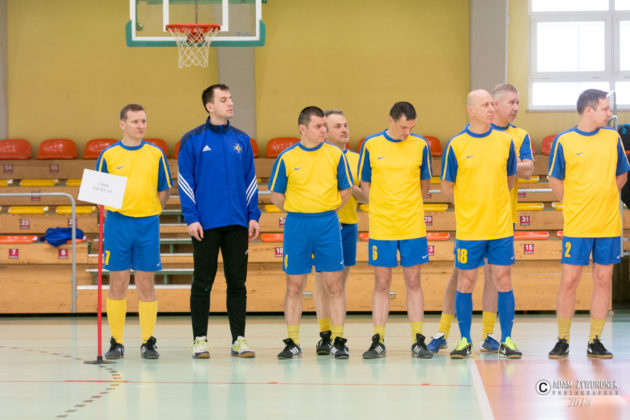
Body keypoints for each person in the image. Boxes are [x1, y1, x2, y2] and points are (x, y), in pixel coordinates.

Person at [427, 83, 534, 354]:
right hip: (470, 228)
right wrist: (469, 206)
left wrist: (493, 203)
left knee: (503, 280)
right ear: (471, 110)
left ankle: (505, 339)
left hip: (500, 226)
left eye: (492, 104)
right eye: (485, 105)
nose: (491, 109)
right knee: (465, 281)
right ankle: (464, 339)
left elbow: (510, 179)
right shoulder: (456, 144)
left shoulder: (507, 142)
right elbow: (447, 186)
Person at [177, 84, 261, 359]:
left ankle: (239, 339)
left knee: (237, 283)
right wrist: (191, 218)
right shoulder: (192, 140)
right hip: (205, 225)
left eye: (231, 98)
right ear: (209, 106)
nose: (230, 103)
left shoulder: (242, 140)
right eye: (224, 99)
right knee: (202, 282)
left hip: (237, 223)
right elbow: (185, 182)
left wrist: (253, 215)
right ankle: (199, 339)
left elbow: (250, 181)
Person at [547, 89, 630, 359]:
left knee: (603, 280)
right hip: (578, 225)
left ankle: (595, 340)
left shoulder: (613, 138)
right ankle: (562, 339)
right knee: (570, 280)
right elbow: (554, 180)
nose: (610, 113)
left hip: (608, 225)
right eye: (605, 108)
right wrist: (574, 204)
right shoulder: (564, 141)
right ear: (589, 110)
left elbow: (622, 175)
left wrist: (605, 196)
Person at [269, 106, 353, 359]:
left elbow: (346, 190)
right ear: (302, 129)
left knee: (334, 284)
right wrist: (298, 210)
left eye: (325, 126)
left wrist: (325, 209)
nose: (323, 130)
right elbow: (276, 194)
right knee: (294, 284)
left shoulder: (335, 155)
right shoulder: (287, 158)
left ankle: (338, 340)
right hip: (297, 225)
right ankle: (293, 342)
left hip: (327, 224)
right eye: (318, 126)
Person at [357, 101, 433, 359]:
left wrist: (408, 205)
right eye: (403, 127)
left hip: (412, 225)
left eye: (411, 127)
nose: (407, 132)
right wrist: (383, 206)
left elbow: (425, 184)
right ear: (390, 120)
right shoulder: (371, 144)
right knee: (382, 282)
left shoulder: (420, 145)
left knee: (414, 281)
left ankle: (418, 340)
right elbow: (365, 185)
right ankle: (378, 340)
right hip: (382, 226)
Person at [98, 103, 172, 360]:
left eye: (143, 121)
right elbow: (100, 193)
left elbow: (164, 190)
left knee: (146, 284)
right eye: (135, 121)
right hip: (118, 225)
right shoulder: (108, 155)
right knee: (117, 284)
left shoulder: (155, 153)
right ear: (123, 124)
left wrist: (151, 211)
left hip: (147, 226)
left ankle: (147, 342)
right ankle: (116, 342)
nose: (141, 126)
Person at [313, 110, 368, 355]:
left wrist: (350, 187)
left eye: (346, 125)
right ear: (325, 130)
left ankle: (338, 338)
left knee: (338, 286)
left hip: (347, 225)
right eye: (338, 126)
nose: (344, 129)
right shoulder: (317, 156)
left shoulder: (357, 159)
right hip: (323, 226)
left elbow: (367, 196)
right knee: (321, 283)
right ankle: (324, 335)